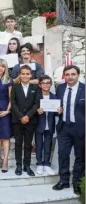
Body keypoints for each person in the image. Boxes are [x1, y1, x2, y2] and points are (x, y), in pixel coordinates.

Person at [52, 65, 85, 195]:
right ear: (64, 76)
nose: (70, 77)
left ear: (78, 75)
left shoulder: (84, 89)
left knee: (80, 157)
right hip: (64, 127)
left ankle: (77, 183)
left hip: (81, 128)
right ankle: (64, 181)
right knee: (63, 155)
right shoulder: (60, 88)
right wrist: (58, 111)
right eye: (67, 75)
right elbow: (56, 105)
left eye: (73, 74)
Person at [11, 65, 40, 177]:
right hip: (17, 121)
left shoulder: (35, 88)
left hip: (30, 120)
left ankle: (26, 165)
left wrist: (28, 116)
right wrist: (20, 116)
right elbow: (13, 103)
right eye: (23, 74)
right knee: (18, 143)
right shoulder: (15, 87)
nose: (25, 76)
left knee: (28, 144)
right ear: (20, 74)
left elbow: (36, 104)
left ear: (31, 75)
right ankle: (19, 165)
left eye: (27, 74)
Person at [35, 75, 60, 175]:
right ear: (40, 85)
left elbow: (57, 112)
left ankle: (46, 164)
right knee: (39, 145)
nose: (46, 85)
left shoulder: (54, 97)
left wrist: (59, 111)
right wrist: (37, 111)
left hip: (50, 124)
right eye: (43, 83)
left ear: (50, 84)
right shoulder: (36, 96)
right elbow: (32, 109)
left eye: (48, 83)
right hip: (39, 124)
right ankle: (39, 164)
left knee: (48, 145)